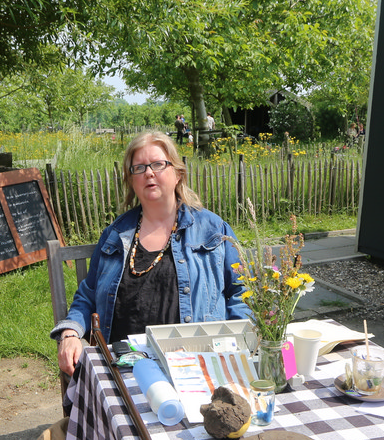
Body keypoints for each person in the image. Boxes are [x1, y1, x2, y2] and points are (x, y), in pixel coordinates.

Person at [51, 131, 251, 377]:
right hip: (124, 368)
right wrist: (70, 333)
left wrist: (235, 350)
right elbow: (88, 294)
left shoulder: (213, 230)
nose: (148, 173)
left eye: (158, 164)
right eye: (139, 168)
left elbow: (243, 293)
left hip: (197, 366)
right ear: (131, 180)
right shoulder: (115, 236)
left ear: (178, 174)